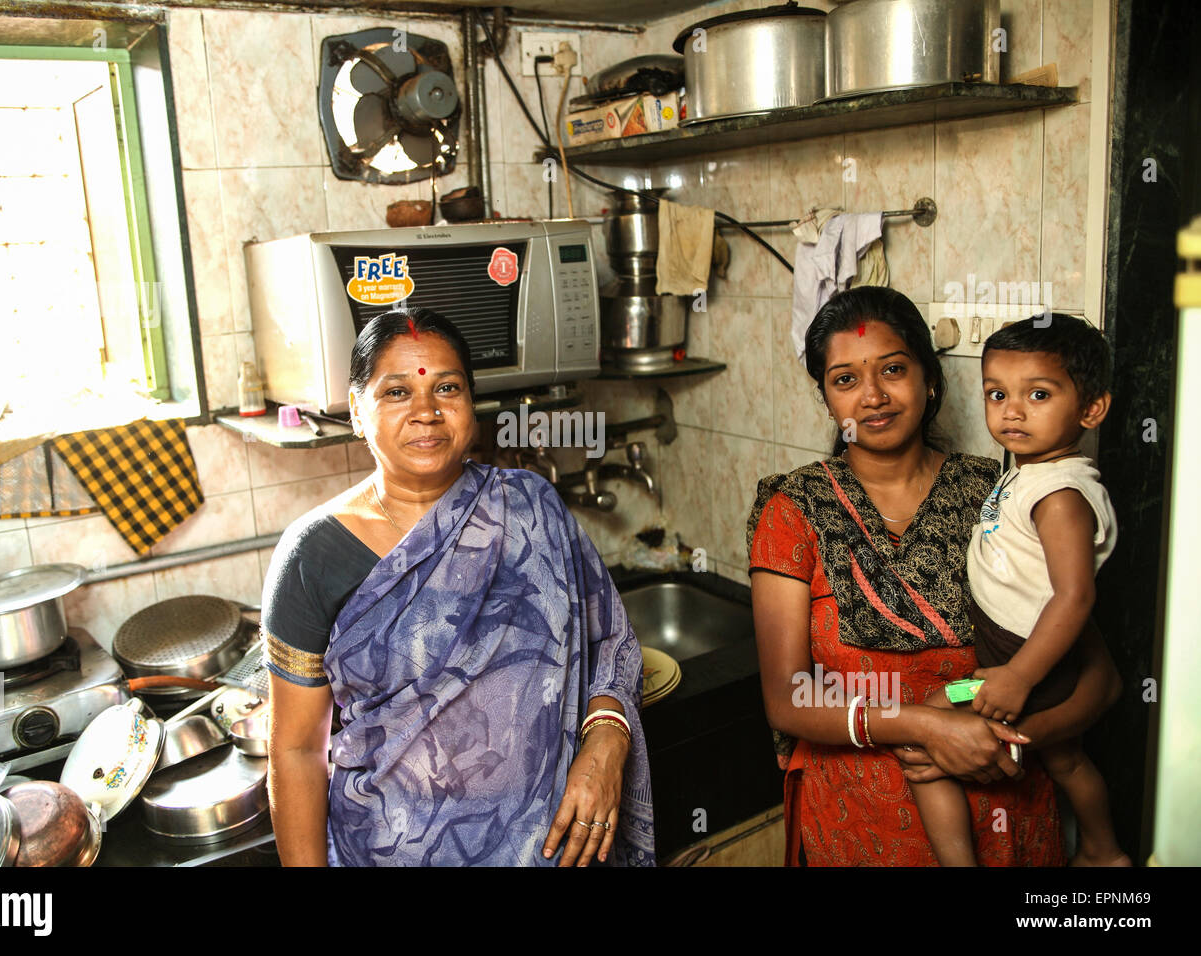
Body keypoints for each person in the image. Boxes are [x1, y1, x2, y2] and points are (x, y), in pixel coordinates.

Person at [262, 307, 654, 867]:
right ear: (355, 409)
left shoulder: (530, 507)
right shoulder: (313, 556)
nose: (426, 411)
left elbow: (611, 642)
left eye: (447, 387)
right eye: (396, 392)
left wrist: (608, 741)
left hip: (551, 849)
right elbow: (297, 750)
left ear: (472, 401)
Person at [745, 287, 1123, 866]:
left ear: (930, 380)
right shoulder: (793, 510)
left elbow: (1100, 680)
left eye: (893, 370)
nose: (873, 396)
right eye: (845, 380)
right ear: (826, 401)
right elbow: (788, 702)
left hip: (1003, 815)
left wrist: (1007, 741)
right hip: (855, 825)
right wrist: (928, 727)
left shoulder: (998, 497)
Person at [908, 313, 1129, 866]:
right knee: (1066, 760)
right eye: (997, 393)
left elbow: (1075, 596)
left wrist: (1019, 677)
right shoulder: (1032, 471)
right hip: (1016, 659)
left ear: (1091, 408)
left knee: (924, 731)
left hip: (1027, 664)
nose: (1011, 410)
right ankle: (1104, 852)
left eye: (1037, 393)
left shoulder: (1060, 495)